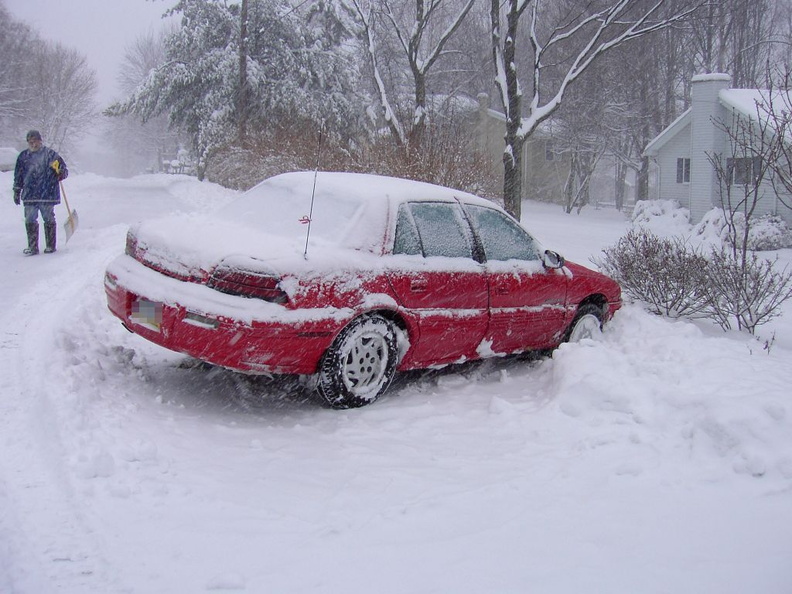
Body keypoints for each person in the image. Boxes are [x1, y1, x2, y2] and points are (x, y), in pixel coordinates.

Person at [13, 130, 68, 255]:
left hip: (47, 194)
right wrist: (17, 190)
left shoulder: (51, 155)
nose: (33, 144)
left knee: (48, 219)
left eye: (35, 141)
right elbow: (18, 175)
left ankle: (50, 246)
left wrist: (59, 171)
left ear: (40, 141)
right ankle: (32, 247)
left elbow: (64, 172)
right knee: (30, 220)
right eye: (30, 142)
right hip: (30, 195)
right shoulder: (23, 157)